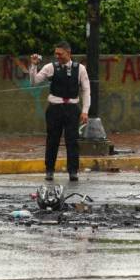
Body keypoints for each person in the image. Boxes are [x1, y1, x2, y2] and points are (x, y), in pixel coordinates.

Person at [30, 41, 90, 182]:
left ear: (68, 53)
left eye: (60, 54)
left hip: (72, 108)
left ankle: (73, 171)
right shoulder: (50, 67)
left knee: (72, 141)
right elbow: (34, 82)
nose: (57, 56)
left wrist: (85, 111)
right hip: (54, 108)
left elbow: (86, 90)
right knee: (52, 140)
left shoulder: (80, 68)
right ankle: (49, 169)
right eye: (56, 53)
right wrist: (33, 66)